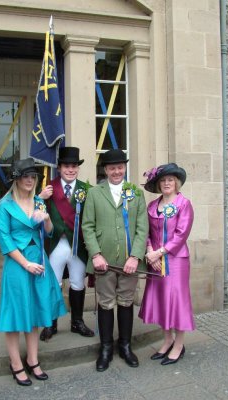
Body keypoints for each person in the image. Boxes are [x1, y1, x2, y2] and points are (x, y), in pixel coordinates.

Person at [0, 157, 66, 386]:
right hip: (18, 265)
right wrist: (25, 264)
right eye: (25, 176)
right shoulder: (4, 206)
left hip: (39, 261)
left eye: (32, 176)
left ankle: (33, 360)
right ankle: (16, 364)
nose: (29, 179)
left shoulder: (38, 201)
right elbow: (5, 242)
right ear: (16, 179)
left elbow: (49, 232)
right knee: (16, 316)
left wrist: (46, 219)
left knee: (35, 313)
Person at [82, 149, 148, 372]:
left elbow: (142, 228)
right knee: (106, 303)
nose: (117, 171)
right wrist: (96, 254)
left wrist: (135, 256)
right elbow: (87, 227)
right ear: (106, 170)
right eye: (112, 168)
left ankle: (126, 346)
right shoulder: (94, 193)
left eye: (120, 167)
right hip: (104, 261)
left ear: (125, 167)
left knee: (126, 301)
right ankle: (106, 348)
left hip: (129, 262)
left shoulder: (136, 193)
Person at [139, 163, 195, 365]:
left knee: (177, 302)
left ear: (177, 182)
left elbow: (181, 234)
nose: (166, 183)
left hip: (175, 260)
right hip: (154, 260)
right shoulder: (152, 206)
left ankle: (179, 345)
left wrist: (159, 253)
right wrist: (149, 252)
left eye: (170, 180)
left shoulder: (184, 203)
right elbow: (146, 232)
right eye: (163, 180)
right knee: (161, 300)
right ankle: (167, 340)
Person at [39, 147, 94, 341]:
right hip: (56, 244)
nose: (70, 170)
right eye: (66, 166)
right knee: (54, 283)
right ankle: (50, 324)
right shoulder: (49, 188)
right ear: (60, 168)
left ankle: (77, 322)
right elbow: (35, 213)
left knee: (78, 282)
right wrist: (40, 198)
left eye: (73, 166)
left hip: (77, 245)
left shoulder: (86, 189)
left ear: (77, 168)